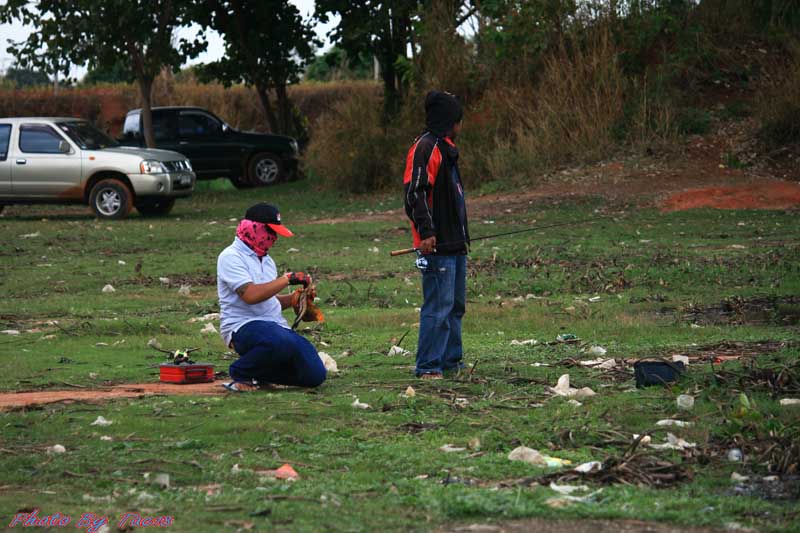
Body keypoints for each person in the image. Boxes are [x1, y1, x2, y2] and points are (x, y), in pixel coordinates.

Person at [217, 203, 326, 391]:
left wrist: (295, 298)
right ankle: (240, 373)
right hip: (242, 326)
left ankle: (260, 374)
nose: (274, 238)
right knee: (280, 341)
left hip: (274, 327)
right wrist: (285, 280)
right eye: (270, 231)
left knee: (315, 373)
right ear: (254, 228)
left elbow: (267, 300)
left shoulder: (267, 260)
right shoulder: (230, 256)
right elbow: (250, 295)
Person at [403, 91, 470, 379]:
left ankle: (451, 362)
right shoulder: (425, 147)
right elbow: (414, 192)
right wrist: (427, 233)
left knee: (455, 306)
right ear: (448, 121)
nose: (459, 126)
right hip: (436, 245)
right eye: (457, 120)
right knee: (438, 307)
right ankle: (428, 366)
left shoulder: (446, 147)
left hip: (455, 243)